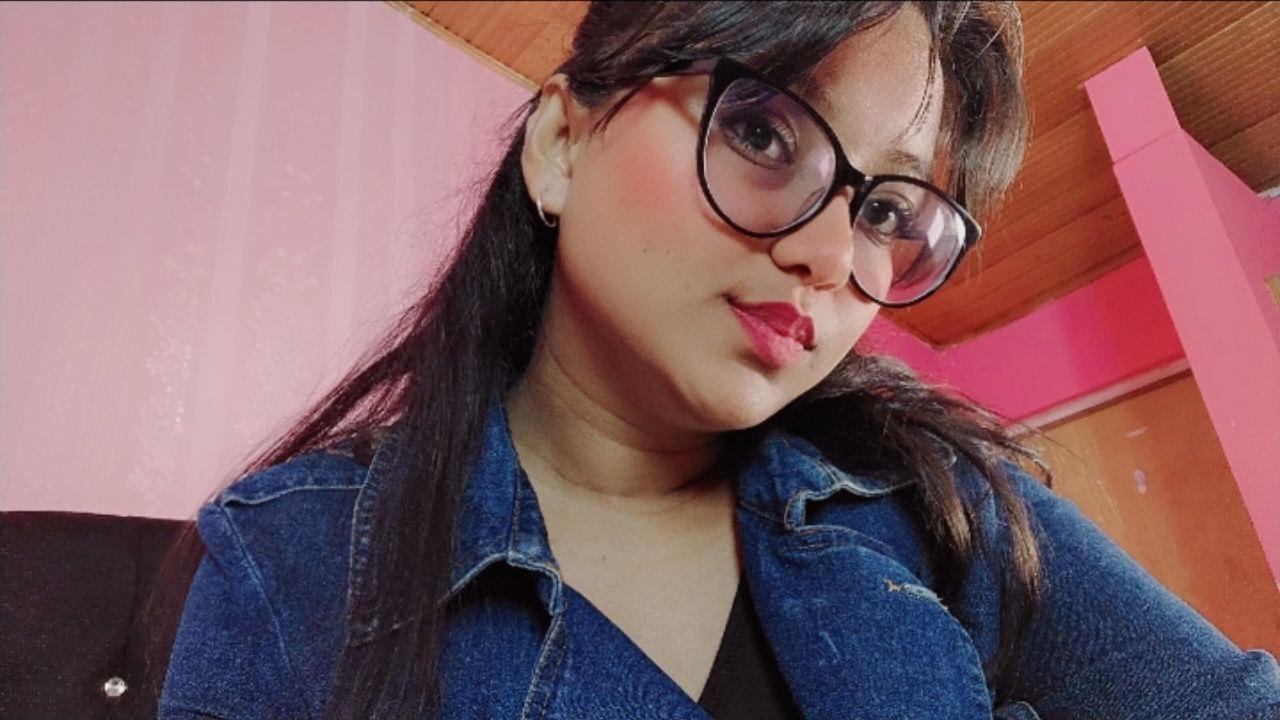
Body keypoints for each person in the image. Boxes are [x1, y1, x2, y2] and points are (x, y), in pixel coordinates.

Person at [149, 2, 1280, 719]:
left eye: (888, 211)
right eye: (761, 131)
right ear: (561, 143)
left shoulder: (941, 502)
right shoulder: (291, 558)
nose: (832, 256)